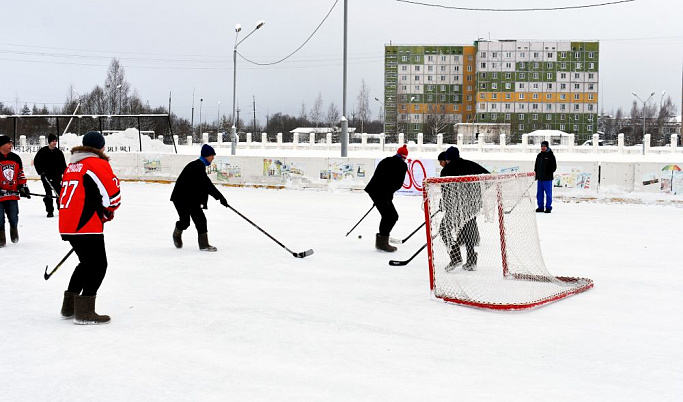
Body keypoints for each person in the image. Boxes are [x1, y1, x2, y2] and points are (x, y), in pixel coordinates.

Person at [59, 131, 121, 325]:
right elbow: (113, 196)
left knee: (86, 264)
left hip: (68, 223)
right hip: (86, 224)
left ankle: (69, 307)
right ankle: (84, 312)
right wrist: (107, 212)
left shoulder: (72, 165)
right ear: (100, 147)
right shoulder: (97, 164)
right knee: (98, 265)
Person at [439, 146, 489, 271]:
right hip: (472, 207)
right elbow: (489, 178)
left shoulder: (446, 171)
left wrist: (443, 205)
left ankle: (455, 257)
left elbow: (446, 193)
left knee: (444, 229)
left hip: (456, 207)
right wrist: (476, 193)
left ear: (447, 158)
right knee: (469, 232)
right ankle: (471, 261)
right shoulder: (471, 165)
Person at [171, 144, 228, 252]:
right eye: (212, 155)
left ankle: (204, 245)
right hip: (181, 198)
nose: (213, 158)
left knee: (201, 220)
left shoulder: (199, 166)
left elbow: (205, 185)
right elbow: (207, 185)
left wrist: (220, 198)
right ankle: (176, 233)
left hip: (191, 199)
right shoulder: (197, 167)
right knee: (185, 222)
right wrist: (220, 198)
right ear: (206, 155)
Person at [364, 144, 409, 252]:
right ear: (405, 157)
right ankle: (382, 243)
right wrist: (386, 196)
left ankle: (382, 240)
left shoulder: (386, 160)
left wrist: (380, 197)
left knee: (390, 215)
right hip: (381, 193)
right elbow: (397, 184)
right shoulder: (402, 165)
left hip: (375, 191)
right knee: (391, 216)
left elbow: (378, 177)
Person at [0, 135, 30, 247]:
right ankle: (1, 238)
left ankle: (14, 230)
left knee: (13, 216)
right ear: (1, 145)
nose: (11, 145)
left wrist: (23, 186)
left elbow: (20, 174)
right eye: (9, 143)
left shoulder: (15, 158)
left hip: (12, 194)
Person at [33, 134, 67, 218]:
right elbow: (37, 162)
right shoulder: (42, 151)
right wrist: (41, 172)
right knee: (48, 193)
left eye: (55, 141)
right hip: (46, 177)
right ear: (49, 142)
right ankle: (50, 211)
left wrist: (64, 173)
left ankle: (61, 210)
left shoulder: (58, 152)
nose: (54, 143)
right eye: (53, 141)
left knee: (59, 193)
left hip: (56, 176)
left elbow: (63, 164)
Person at [534, 140, 557, 213]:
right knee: (539, 194)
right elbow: (536, 166)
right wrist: (536, 174)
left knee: (548, 194)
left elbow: (554, 167)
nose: (543, 148)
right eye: (542, 146)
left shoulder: (551, 156)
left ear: (547, 147)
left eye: (544, 146)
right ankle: (540, 207)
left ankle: (548, 207)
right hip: (540, 179)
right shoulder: (539, 155)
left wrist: (548, 173)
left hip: (547, 179)